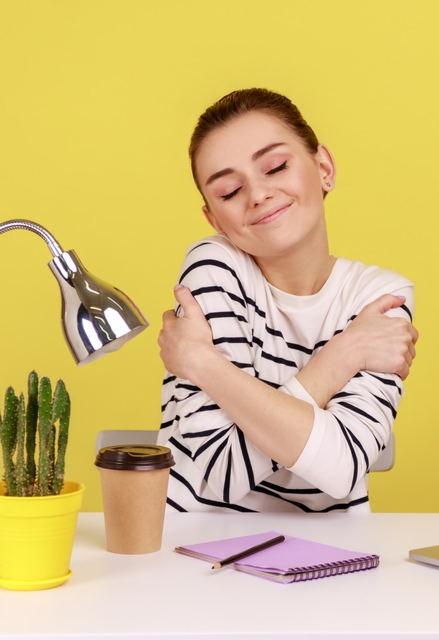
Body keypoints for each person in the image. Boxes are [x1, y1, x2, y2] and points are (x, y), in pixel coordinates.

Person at [157, 88, 418, 512]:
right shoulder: (213, 267)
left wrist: (202, 363)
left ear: (324, 168)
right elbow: (225, 471)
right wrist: (343, 355)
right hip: (196, 543)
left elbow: (340, 470)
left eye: (276, 167)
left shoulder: (381, 296)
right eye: (229, 191)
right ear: (213, 218)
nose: (258, 194)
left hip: (329, 551)